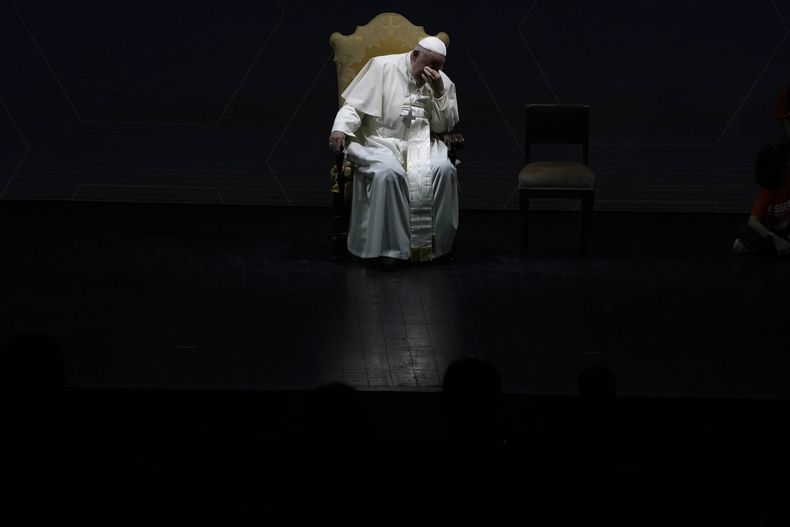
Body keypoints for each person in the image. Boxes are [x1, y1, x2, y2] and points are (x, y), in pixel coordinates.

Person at [328, 36, 460, 266]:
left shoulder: (441, 82)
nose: (433, 72)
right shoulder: (382, 67)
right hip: (381, 141)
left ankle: (433, 248)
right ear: (415, 55)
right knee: (389, 173)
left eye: (439, 67)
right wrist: (340, 129)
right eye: (429, 64)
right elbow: (353, 107)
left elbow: (444, 127)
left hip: (423, 143)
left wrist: (439, 93)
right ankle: (390, 250)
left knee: (443, 170)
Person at [733, 86, 790, 256]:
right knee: (745, 231)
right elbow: (753, 221)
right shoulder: (770, 187)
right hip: (771, 232)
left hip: (783, 228)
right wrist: (774, 238)